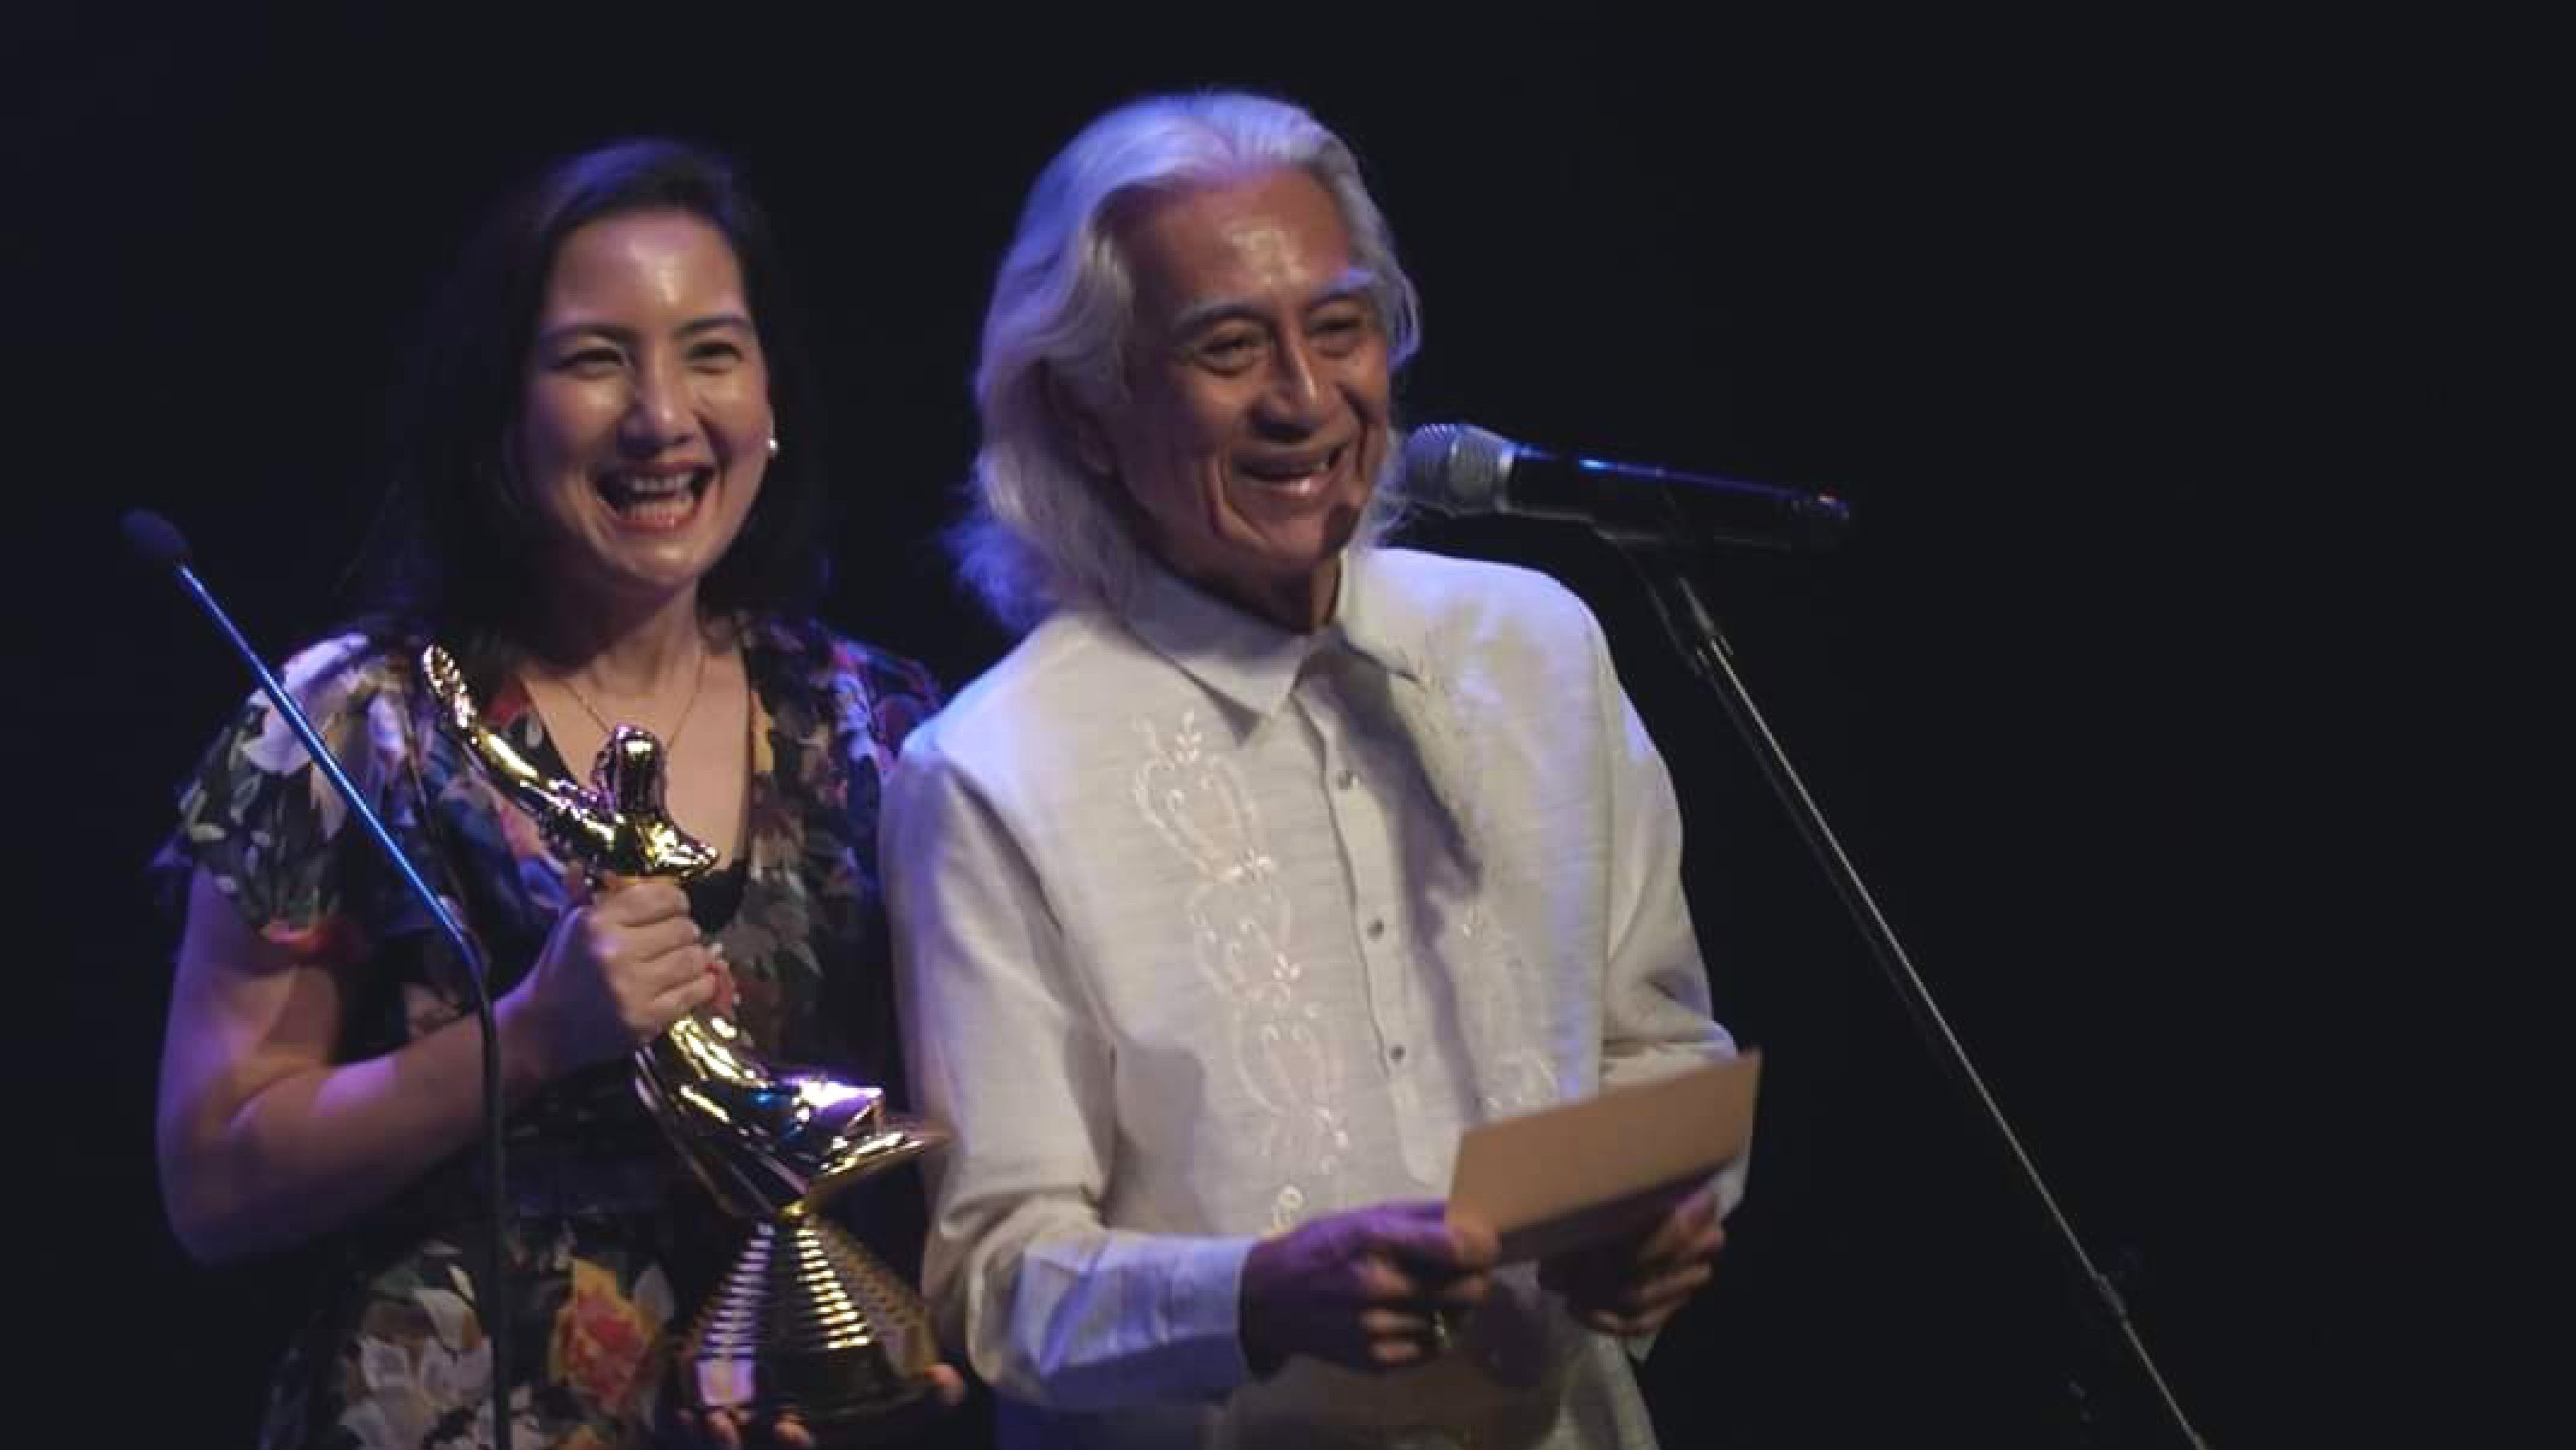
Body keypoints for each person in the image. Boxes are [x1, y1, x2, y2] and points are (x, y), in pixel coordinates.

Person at [883, 91, 1741, 1449]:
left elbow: (1661, 1044)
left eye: (1339, 328)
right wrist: (1253, 1297)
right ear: (1087, 410)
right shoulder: (992, 769)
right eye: (1227, 347)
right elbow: (992, 1276)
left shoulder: (1537, 647)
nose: (1303, 397)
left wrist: (1655, 1220)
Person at [153, 139, 956, 1449]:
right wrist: (527, 1036)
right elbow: (213, 1181)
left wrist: (897, 1335)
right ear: (500, 409)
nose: (662, 416)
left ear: (771, 399)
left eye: (712, 352)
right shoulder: (355, 721)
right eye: (595, 359)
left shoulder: (878, 723)